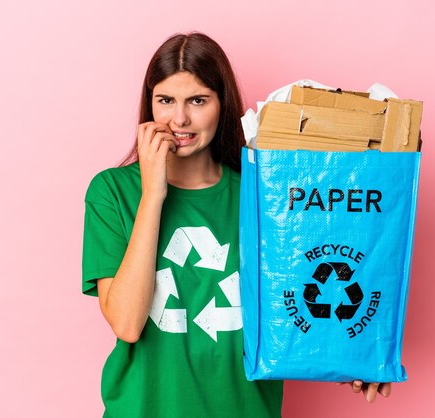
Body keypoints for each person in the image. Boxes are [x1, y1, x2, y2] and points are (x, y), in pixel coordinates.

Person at [82, 32, 390, 418]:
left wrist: (352, 355)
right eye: (165, 101)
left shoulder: (265, 194)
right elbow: (127, 324)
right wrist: (152, 195)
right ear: (149, 105)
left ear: (222, 104)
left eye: (198, 100)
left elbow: (301, 298)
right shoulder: (112, 192)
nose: (179, 119)